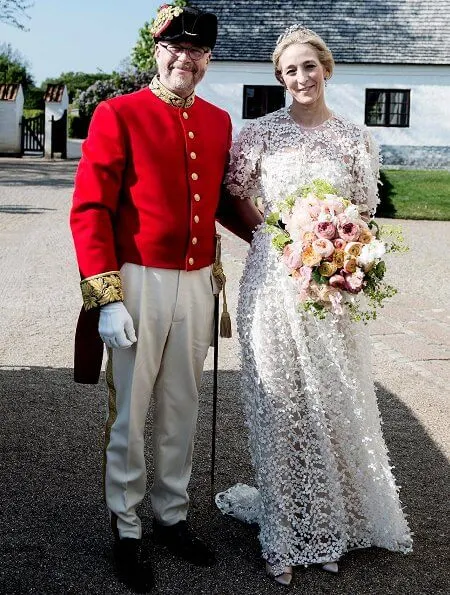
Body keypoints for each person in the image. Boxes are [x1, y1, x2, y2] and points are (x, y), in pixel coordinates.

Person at [216, 25, 413, 586]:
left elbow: (364, 212)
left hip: (330, 290)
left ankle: (328, 523)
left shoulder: (355, 138)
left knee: (330, 404)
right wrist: (280, 239)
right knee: (279, 406)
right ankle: (284, 532)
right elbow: (235, 195)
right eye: (288, 71)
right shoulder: (259, 135)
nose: (299, 78)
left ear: (325, 68)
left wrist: (344, 255)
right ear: (280, 79)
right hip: (272, 284)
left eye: (307, 66)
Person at [70, 5, 257, 593]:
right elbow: (91, 209)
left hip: (199, 280)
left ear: (208, 58)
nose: (187, 59)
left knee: (183, 404)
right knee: (130, 408)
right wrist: (105, 297)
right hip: (137, 280)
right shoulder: (118, 112)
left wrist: (282, 236)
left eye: (199, 51)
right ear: (157, 49)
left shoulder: (219, 120)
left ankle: (171, 516)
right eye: (176, 47)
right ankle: (126, 526)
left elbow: (221, 201)